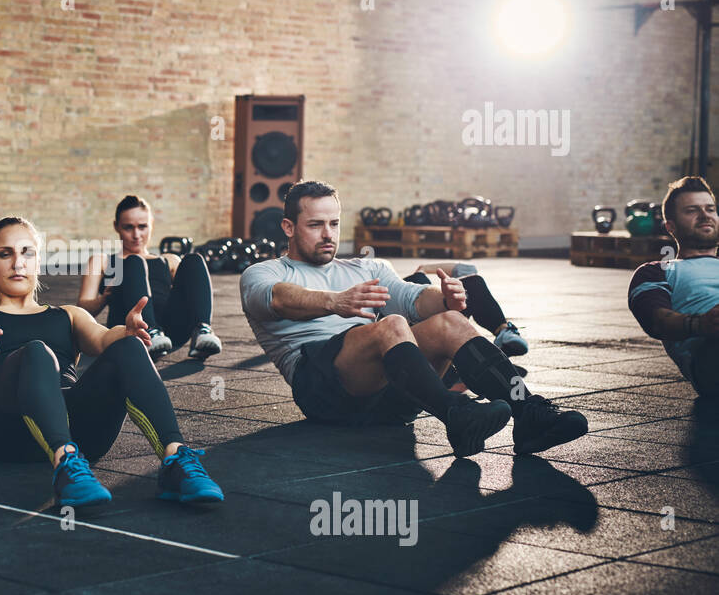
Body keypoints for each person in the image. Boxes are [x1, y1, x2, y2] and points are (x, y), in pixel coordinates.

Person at [240, 181, 588, 457]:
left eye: (334, 223)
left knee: (450, 321)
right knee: (390, 326)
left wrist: (446, 299)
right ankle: (456, 414)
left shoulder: (366, 267)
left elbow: (412, 298)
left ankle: (529, 415)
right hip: (324, 392)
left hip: (393, 396)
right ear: (288, 226)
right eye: (315, 225)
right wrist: (336, 301)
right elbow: (278, 300)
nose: (328, 234)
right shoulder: (263, 273)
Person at [0, 216, 224, 508]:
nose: (18, 263)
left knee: (128, 346)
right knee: (36, 351)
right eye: (5, 254)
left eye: (27, 253)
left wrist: (127, 332)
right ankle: (64, 463)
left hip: (85, 434)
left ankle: (175, 460)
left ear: (37, 261)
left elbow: (104, 340)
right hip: (10, 433)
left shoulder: (68, 314)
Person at [77, 194, 221, 360]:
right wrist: (104, 298)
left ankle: (202, 329)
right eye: (128, 227)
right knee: (134, 262)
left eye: (142, 227)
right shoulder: (102, 261)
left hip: (171, 332)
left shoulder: (169, 260)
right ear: (116, 226)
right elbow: (83, 309)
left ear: (151, 224)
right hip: (130, 329)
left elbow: (192, 292)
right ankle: (151, 331)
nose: (136, 234)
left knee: (194, 260)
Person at [628, 175, 719, 396]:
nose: (705, 215)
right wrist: (701, 324)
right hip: (709, 357)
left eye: (710, 208)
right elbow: (656, 321)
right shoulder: (657, 271)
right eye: (692, 210)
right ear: (671, 226)